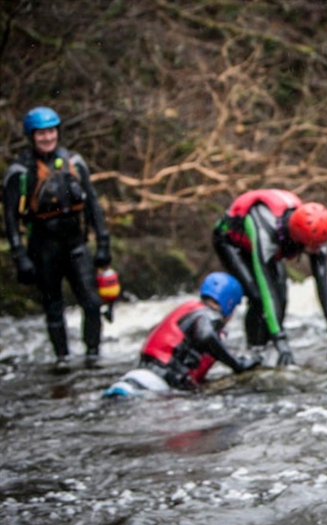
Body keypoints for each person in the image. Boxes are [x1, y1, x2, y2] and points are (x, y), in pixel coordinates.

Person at [3, 106, 112, 369]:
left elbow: (93, 205)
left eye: (51, 132)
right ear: (32, 136)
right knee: (53, 306)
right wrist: (20, 256)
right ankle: (62, 357)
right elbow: (10, 217)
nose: (47, 138)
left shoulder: (75, 163)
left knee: (92, 302)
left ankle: (93, 353)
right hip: (44, 249)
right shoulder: (20, 172)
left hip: (76, 245)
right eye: (41, 133)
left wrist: (103, 243)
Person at [212, 189, 327, 367]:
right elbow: (265, 287)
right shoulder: (267, 232)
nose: (317, 251)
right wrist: (281, 339)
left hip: (270, 246)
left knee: (282, 297)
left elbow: (323, 284)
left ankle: (268, 348)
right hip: (230, 243)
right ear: (299, 238)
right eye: (312, 248)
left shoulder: (312, 233)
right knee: (258, 298)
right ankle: (254, 351)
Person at [103, 272, 260, 398]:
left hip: (136, 379)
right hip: (155, 385)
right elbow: (205, 336)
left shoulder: (189, 311)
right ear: (230, 302)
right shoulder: (208, 315)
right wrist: (237, 364)